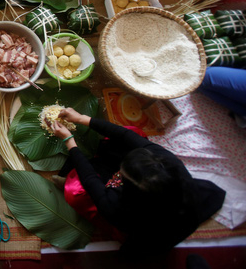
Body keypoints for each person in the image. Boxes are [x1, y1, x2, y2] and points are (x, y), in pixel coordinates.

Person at [50, 108, 225, 256]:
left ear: (127, 187)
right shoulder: (166, 160)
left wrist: (69, 140)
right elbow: (124, 134)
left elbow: (90, 180)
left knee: (75, 192)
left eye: (122, 175)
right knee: (132, 132)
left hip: (148, 229)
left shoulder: (118, 207)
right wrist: (81, 118)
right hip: (175, 200)